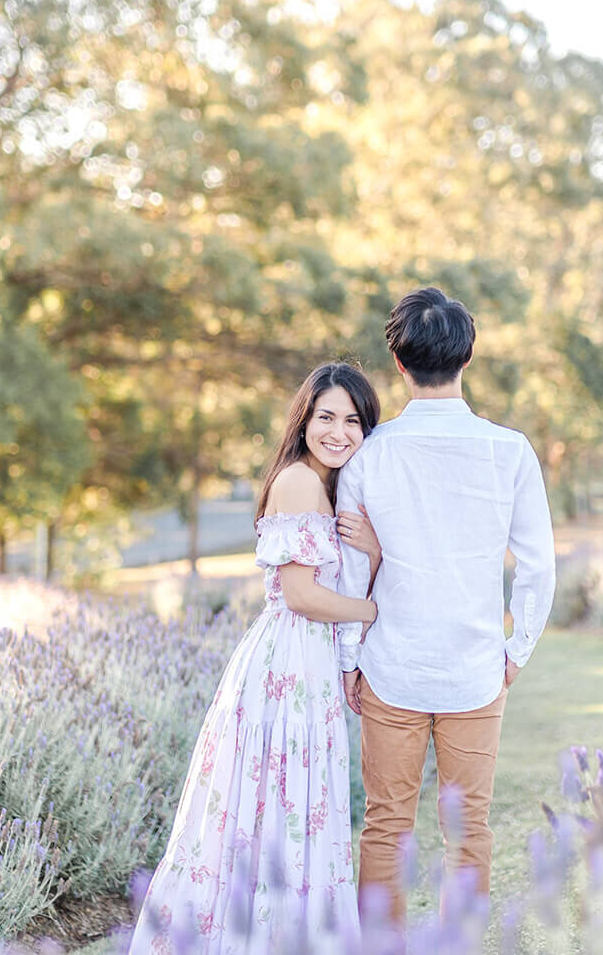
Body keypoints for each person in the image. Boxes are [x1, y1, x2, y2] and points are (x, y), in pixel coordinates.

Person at [129, 363, 381, 954]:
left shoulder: (326, 484)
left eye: (353, 420)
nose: (339, 431)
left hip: (307, 663)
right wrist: (377, 616)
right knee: (277, 809)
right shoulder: (299, 481)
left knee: (289, 809)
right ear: (304, 420)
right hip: (288, 665)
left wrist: (371, 553)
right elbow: (300, 594)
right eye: (326, 417)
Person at [336, 287, 556, 922]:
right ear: (467, 358)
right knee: (469, 827)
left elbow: (352, 566)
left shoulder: (368, 453)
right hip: (476, 667)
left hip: (389, 665)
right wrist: (519, 650)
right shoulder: (510, 450)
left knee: (385, 826)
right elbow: (539, 564)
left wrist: (350, 658)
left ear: (399, 365)